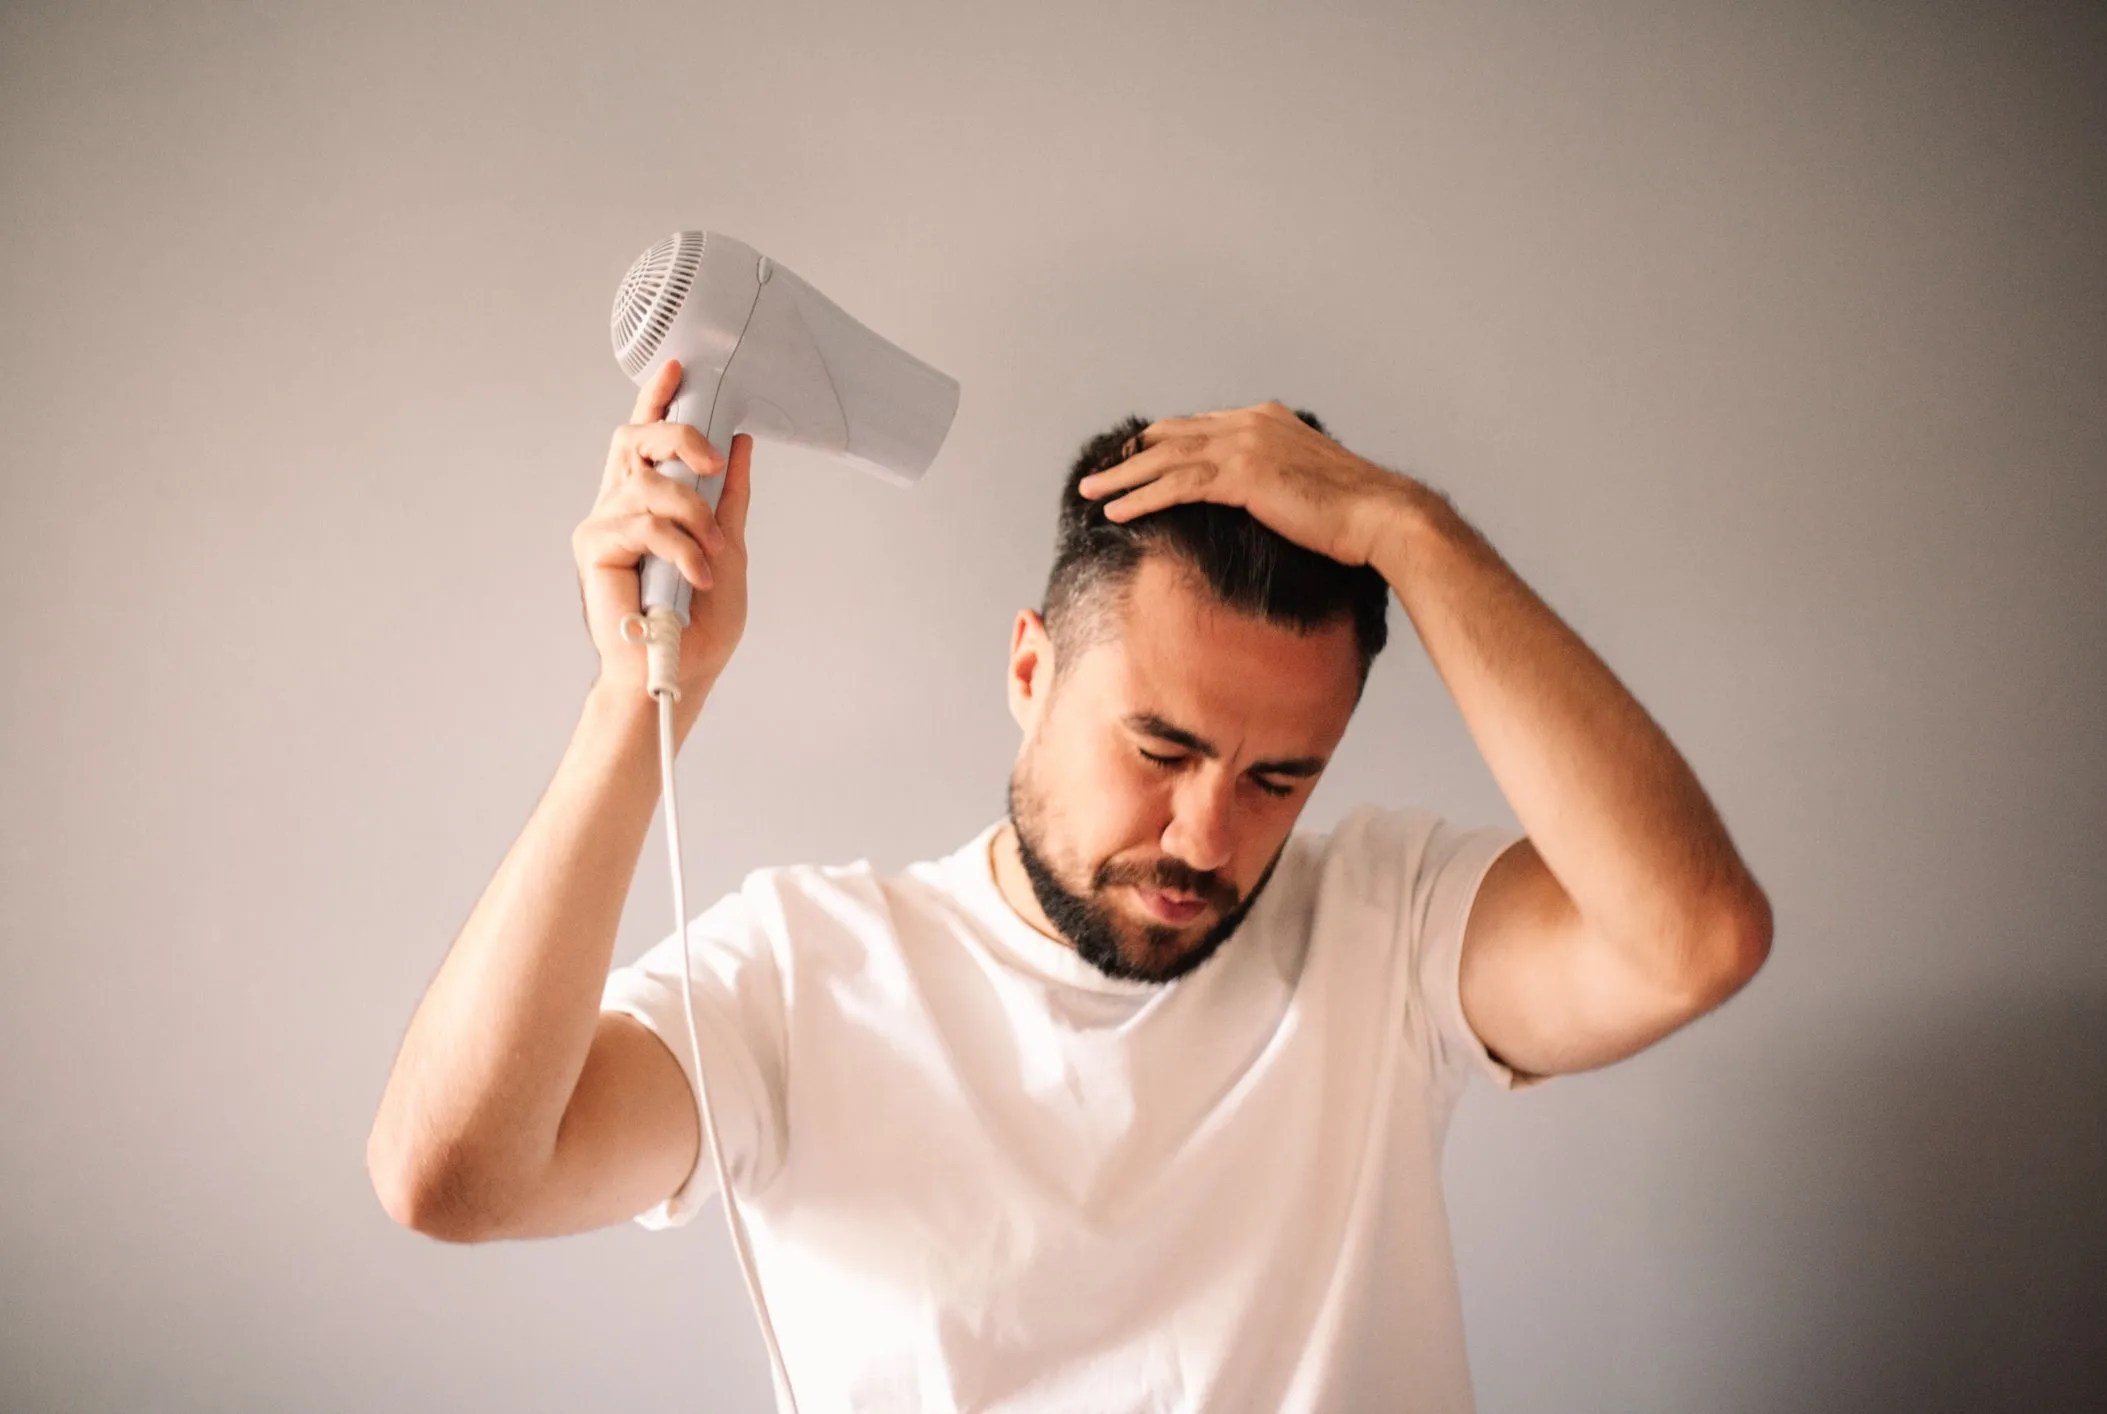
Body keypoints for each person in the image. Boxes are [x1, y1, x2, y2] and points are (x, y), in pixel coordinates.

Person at [368, 357, 1772, 1412]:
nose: (1208, 835)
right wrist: (638, 701)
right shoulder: (805, 971)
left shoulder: (1388, 928)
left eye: (1280, 776)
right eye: (1159, 747)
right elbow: (457, 1176)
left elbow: (1692, 936)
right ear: (1031, 670)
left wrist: (1410, 528)